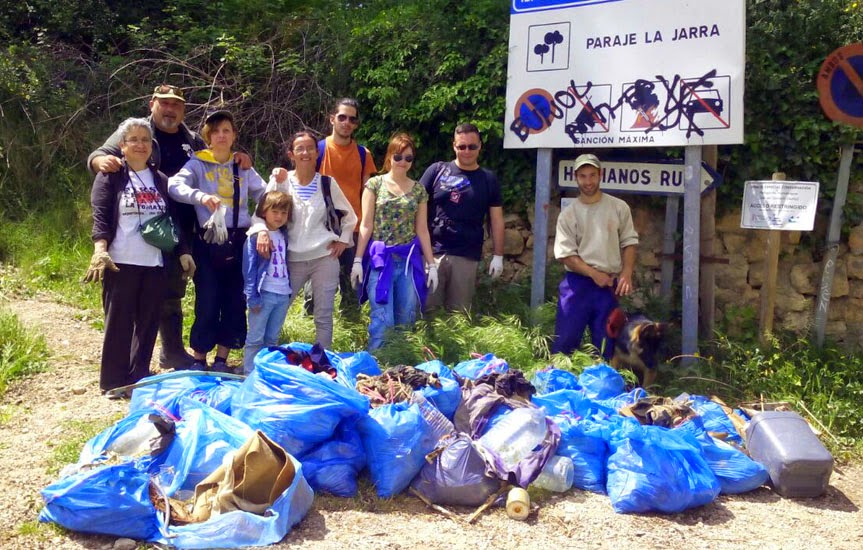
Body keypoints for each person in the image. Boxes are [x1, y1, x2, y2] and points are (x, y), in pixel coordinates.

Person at [87, 84, 252, 370]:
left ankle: (171, 351)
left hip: (181, 229)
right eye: (164, 103)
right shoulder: (138, 132)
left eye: (176, 104)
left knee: (170, 293)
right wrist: (103, 161)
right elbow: (97, 155)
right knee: (127, 297)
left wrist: (241, 159)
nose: (170, 109)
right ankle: (122, 363)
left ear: (182, 109)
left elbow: (216, 158)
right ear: (152, 104)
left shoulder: (191, 139)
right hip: (136, 226)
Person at [83, 117, 191, 395]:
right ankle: (113, 382)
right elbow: (102, 215)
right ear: (122, 146)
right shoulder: (111, 176)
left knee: (147, 323)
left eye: (145, 140)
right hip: (120, 262)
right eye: (134, 140)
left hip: (154, 263)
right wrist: (100, 249)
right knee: (118, 322)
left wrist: (182, 252)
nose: (140, 145)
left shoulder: (159, 179)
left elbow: (172, 220)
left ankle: (138, 377)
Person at [168, 110, 269, 371]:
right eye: (215, 131)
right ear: (208, 137)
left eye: (226, 130)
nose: (221, 136)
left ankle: (222, 358)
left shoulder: (242, 166)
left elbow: (266, 195)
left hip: (239, 241)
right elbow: (174, 187)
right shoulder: (197, 164)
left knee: (235, 300)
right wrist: (200, 197)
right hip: (208, 242)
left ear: (234, 135)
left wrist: (265, 223)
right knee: (208, 299)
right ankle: (199, 357)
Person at [260, 131, 357, 349]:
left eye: (310, 148)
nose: (305, 153)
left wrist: (343, 240)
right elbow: (262, 210)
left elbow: (350, 216)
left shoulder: (326, 183)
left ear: (317, 152)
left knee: (323, 315)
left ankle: (322, 362)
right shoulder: (283, 181)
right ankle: (265, 355)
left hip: (324, 257)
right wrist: (263, 233)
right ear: (291, 154)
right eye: (300, 149)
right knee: (277, 308)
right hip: (290, 259)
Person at [350, 132, 437, 351]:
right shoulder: (374, 185)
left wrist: (432, 264)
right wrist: (358, 260)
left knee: (406, 319)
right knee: (381, 319)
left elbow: (422, 230)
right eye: (398, 157)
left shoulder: (419, 190)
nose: (403, 162)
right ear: (390, 156)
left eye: (408, 158)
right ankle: (377, 367)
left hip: (408, 261)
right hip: (381, 261)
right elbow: (366, 224)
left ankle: (402, 364)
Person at [551, 153, 639, 359]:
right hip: (576, 285)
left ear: (601, 175)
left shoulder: (619, 207)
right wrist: (593, 274)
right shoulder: (569, 214)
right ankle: (558, 385)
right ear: (576, 177)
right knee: (565, 342)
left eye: (592, 175)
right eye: (583, 176)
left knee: (605, 345)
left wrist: (626, 273)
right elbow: (565, 254)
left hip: (608, 286)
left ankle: (602, 386)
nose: (588, 181)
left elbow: (630, 242)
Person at [420, 123, 505, 312]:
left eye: (472, 146)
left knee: (458, 317)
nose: (467, 151)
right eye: (462, 146)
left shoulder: (488, 179)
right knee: (425, 312)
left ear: (480, 146)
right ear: (454, 146)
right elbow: (415, 206)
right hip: (432, 253)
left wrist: (498, 255)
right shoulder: (436, 171)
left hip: (466, 255)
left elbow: (497, 220)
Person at [308, 98, 377, 314]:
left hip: (352, 229)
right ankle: (308, 335)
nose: (347, 122)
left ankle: (351, 332)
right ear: (332, 119)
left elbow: (367, 193)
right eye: (342, 117)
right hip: (320, 227)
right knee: (314, 289)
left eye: (352, 119)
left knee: (351, 288)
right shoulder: (317, 150)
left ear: (356, 124)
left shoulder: (363, 154)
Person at [242, 191, 293, 374]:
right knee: (255, 338)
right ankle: (249, 373)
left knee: (272, 339)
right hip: (264, 294)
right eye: (275, 212)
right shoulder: (255, 236)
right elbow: (249, 270)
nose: (279, 217)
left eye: (284, 213)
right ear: (264, 212)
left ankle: (266, 372)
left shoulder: (285, 235)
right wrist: (252, 297)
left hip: (283, 293)